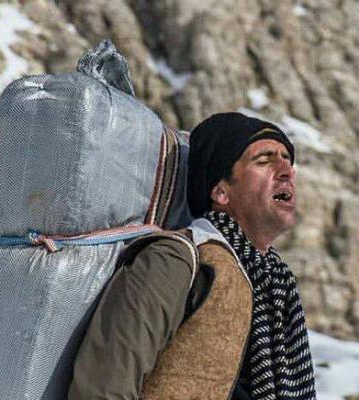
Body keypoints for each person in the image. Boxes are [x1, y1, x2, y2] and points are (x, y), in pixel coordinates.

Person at [70, 112, 317, 399]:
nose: (287, 171)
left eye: (288, 160)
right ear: (221, 191)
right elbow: (104, 386)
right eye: (264, 161)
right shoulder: (176, 261)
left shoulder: (275, 283)